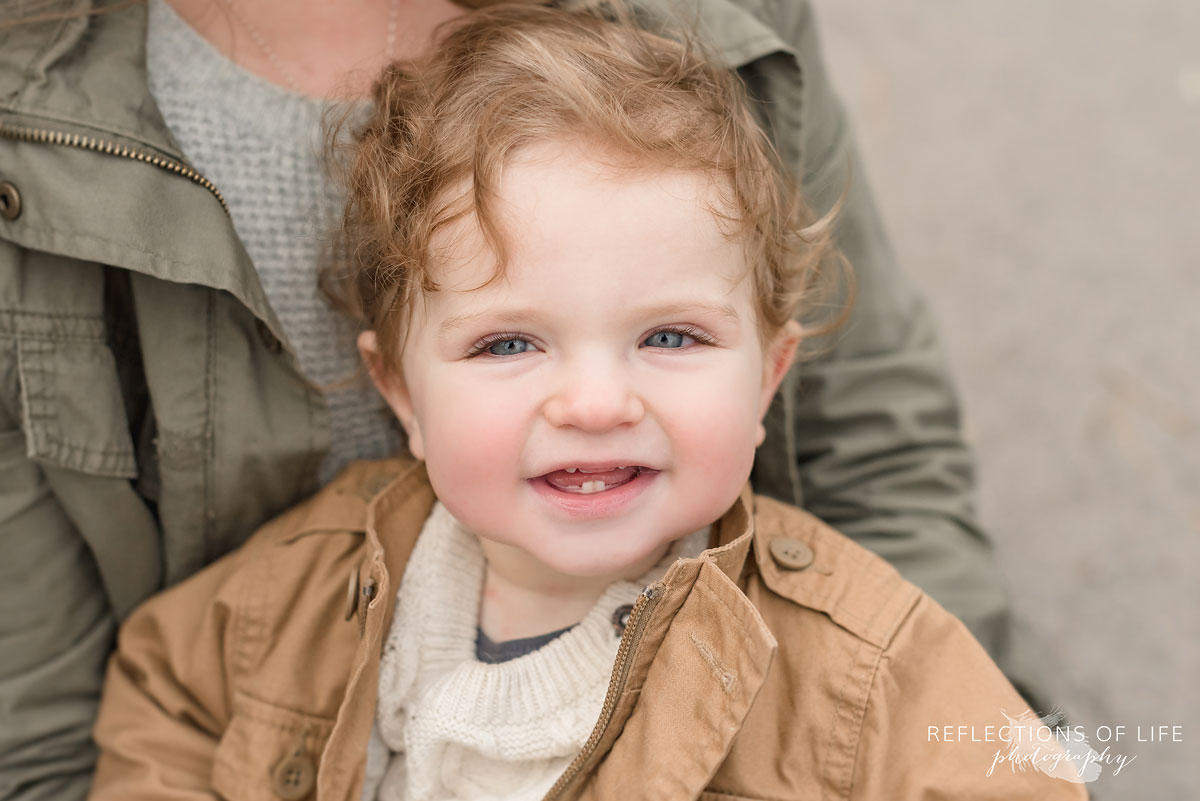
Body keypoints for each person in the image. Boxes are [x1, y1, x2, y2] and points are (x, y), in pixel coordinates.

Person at [0, 0, 1049, 798]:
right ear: (397, 393)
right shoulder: (301, 596)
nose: (595, 402)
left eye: (672, 337)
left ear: (771, 373)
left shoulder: (867, 665)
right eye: (509, 344)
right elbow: (158, 705)